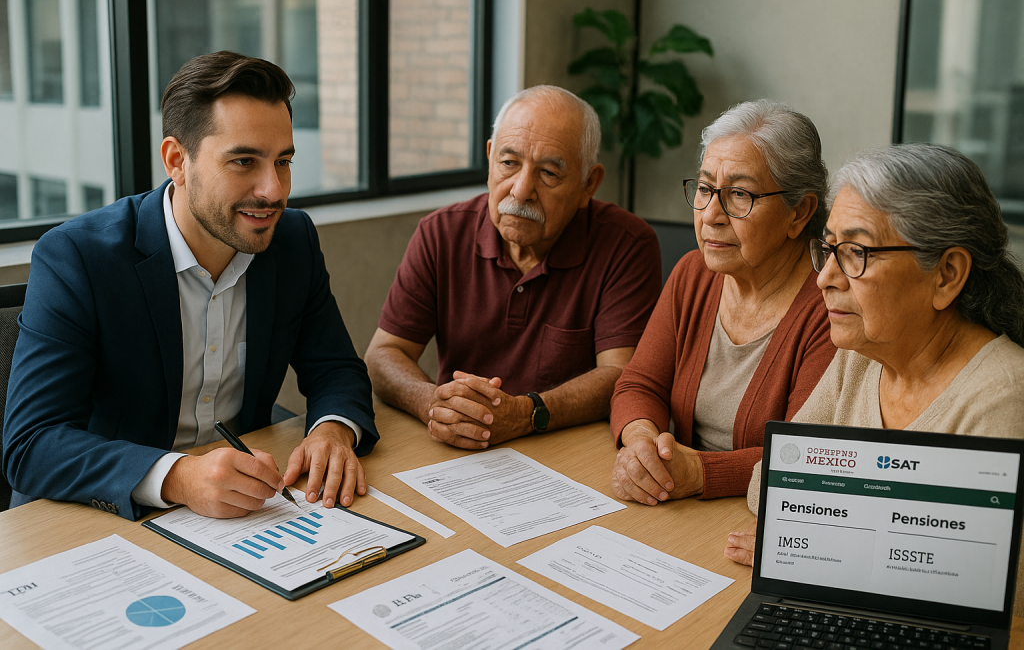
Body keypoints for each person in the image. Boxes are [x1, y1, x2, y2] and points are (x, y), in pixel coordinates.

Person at [2, 51, 376, 521]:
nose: (274, 190)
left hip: (246, 511)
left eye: (283, 161)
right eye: (244, 161)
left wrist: (333, 430)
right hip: (101, 516)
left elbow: (336, 368)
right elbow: (32, 444)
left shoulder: (292, 240)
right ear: (177, 160)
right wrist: (178, 476)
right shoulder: (78, 256)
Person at [724, 144, 1024, 600]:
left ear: (946, 274)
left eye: (856, 252)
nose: (825, 277)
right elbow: (766, 485)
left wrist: (819, 545)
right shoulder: (861, 357)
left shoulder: (1005, 396)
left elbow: (983, 585)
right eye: (829, 249)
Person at [364, 85, 661, 449]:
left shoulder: (627, 244)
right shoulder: (441, 232)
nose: (521, 190)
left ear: (588, 184)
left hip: (569, 451)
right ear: (490, 158)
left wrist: (525, 414)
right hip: (461, 447)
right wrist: (435, 404)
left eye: (548, 173)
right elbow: (383, 354)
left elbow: (621, 374)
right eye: (509, 163)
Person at [609, 99, 836, 505]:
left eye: (739, 194)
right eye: (704, 188)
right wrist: (642, 443)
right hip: (678, 506)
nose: (711, 214)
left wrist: (700, 471)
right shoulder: (693, 273)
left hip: (758, 517)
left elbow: (806, 455)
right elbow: (639, 384)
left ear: (799, 213)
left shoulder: (831, 307)